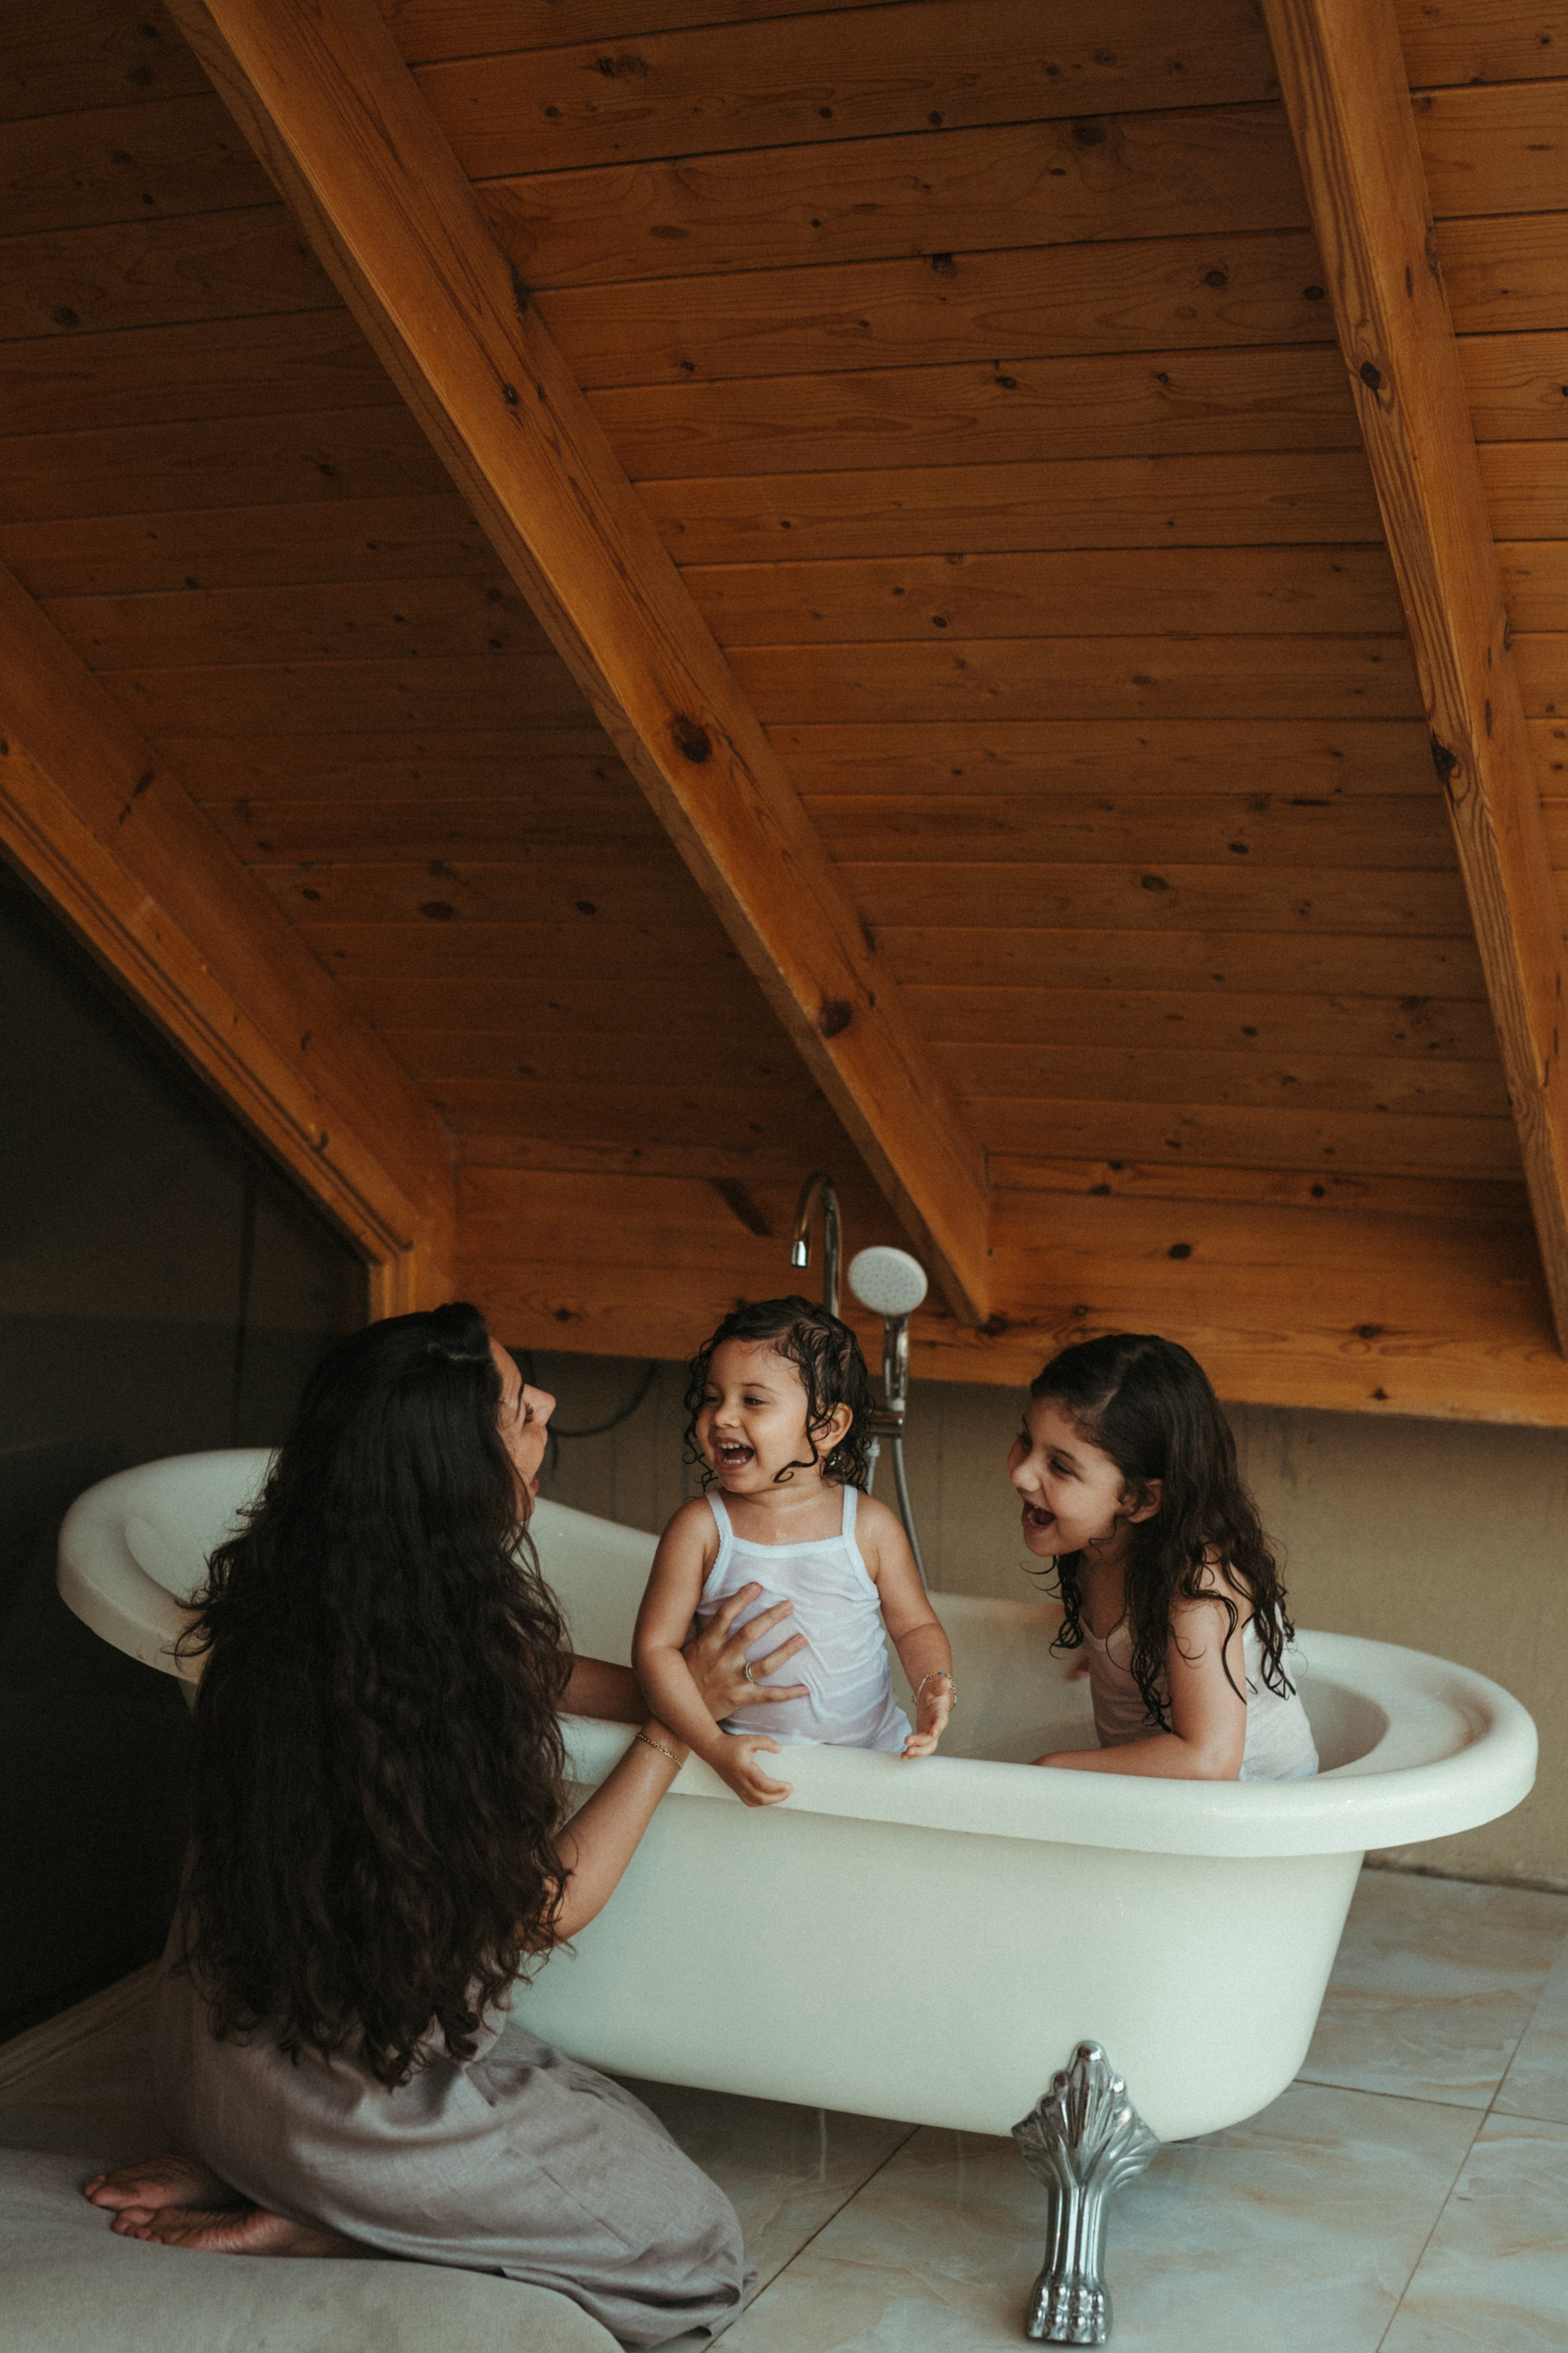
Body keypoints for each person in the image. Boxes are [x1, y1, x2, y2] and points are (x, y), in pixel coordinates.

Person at [82, 1303, 809, 2346]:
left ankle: (274, 2169)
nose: (546, 1403)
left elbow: (535, 1666)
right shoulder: (438, 1688)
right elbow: (544, 1910)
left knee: (596, 2110)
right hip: (342, 2115)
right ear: (458, 1476)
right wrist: (670, 1731)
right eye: (517, 1409)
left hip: (218, 2074)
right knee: (692, 2249)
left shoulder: (313, 1600)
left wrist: (681, 1677)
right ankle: (335, 2218)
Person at [635, 1297, 954, 1808]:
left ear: (826, 1427)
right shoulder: (701, 1528)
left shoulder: (868, 1524)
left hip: (874, 1757)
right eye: (713, 1397)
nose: (722, 1417)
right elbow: (655, 1652)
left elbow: (915, 1627)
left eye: (753, 1400)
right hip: (750, 1759)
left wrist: (934, 1684)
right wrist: (714, 1746)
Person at [1012, 1332, 1317, 1781]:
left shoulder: (1195, 1588)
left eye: (1060, 1466)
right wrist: (1118, 1659)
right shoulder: (1099, 1545)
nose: (1021, 1473)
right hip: (1174, 1796)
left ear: (1139, 1499)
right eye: (1025, 1440)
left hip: (1254, 1805)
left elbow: (1210, 1762)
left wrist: (1052, 1768)